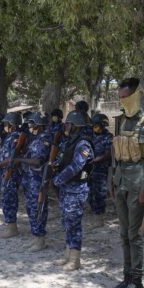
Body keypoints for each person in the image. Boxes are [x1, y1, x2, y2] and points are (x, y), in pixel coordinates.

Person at [108, 78, 144, 288]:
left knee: (135, 234)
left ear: (136, 96)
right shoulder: (120, 121)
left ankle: (137, 282)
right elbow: (115, 152)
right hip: (121, 180)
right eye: (120, 97)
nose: (122, 100)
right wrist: (112, 178)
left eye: (126, 97)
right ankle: (127, 277)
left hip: (138, 180)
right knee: (123, 233)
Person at [53, 110, 94, 271]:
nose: (66, 126)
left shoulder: (83, 144)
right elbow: (64, 159)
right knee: (66, 222)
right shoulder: (70, 141)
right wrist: (56, 165)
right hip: (66, 189)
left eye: (69, 124)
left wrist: (58, 179)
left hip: (76, 189)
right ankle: (67, 255)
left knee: (74, 223)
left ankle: (75, 260)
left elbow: (76, 166)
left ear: (75, 126)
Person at [13, 113, 55, 251]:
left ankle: (40, 240)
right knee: (31, 208)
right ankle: (35, 237)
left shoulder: (44, 139)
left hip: (38, 180)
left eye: (32, 124)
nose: (30, 127)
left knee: (38, 209)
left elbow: (37, 161)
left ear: (39, 125)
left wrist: (20, 160)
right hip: (30, 179)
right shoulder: (36, 138)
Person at [0, 112, 26, 238]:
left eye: (6, 123)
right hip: (5, 171)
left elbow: (13, 157)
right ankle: (10, 226)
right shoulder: (9, 136)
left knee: (9, 199)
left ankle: (12, 228)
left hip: (11, 173)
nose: (4, 126)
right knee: (5, 199)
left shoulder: (16, 137)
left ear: (12, 124)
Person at [89, 113, 113, 228]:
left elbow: (108, 154)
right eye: (93, 125)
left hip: (101, 169)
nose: (94, 127)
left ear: (103, 125)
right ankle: (94, 214)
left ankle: (99, 218)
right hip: (89, 169)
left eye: (97, 125)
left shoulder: (108, 137)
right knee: (89, 193)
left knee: (99, 193)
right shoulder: (90, 135)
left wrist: (97, 160)